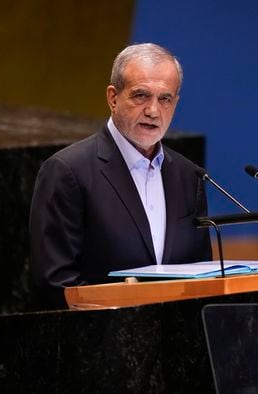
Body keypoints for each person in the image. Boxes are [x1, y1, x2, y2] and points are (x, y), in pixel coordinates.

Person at [30, 43, 211, 307]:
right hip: (102, 341)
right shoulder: (67, 171)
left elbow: (202, 274)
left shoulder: (188, 175)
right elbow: (55, 282)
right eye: (140, 96)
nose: (153, 110)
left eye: (165, 99)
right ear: (113, 98)